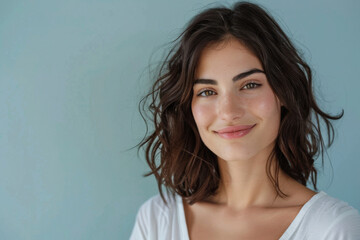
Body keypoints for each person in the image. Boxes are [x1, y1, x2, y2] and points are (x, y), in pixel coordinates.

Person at [130, 1, 360, 239]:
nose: (229, 111)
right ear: (189, 107)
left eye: (250, 85)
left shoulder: (331, 228)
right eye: (207, 91)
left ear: (283, 92)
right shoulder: (157, 220)